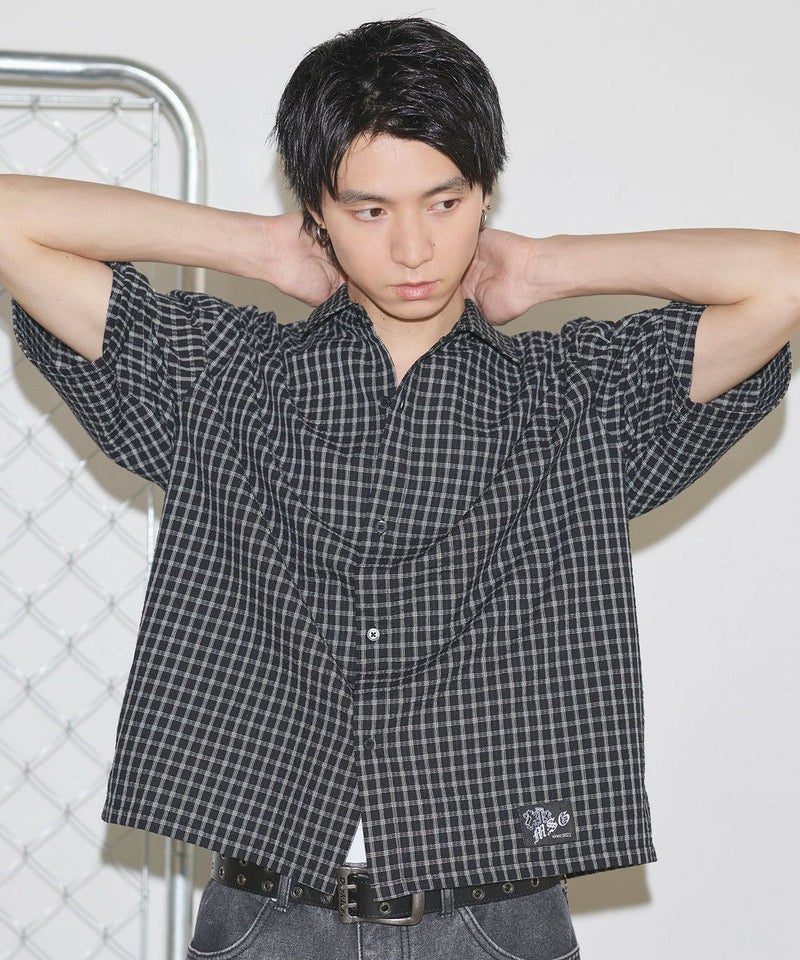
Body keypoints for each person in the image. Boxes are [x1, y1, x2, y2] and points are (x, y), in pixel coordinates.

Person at [0, 16, 795, 960]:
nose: (414, 248)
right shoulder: (220, 374)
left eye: (445, 202)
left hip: (495, 919)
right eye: (370, 210)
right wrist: (258, 247)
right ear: (319, 211)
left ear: (486, 192)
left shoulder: (578, 397)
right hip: (269, 917)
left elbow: (783, 280)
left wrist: (546, 266)